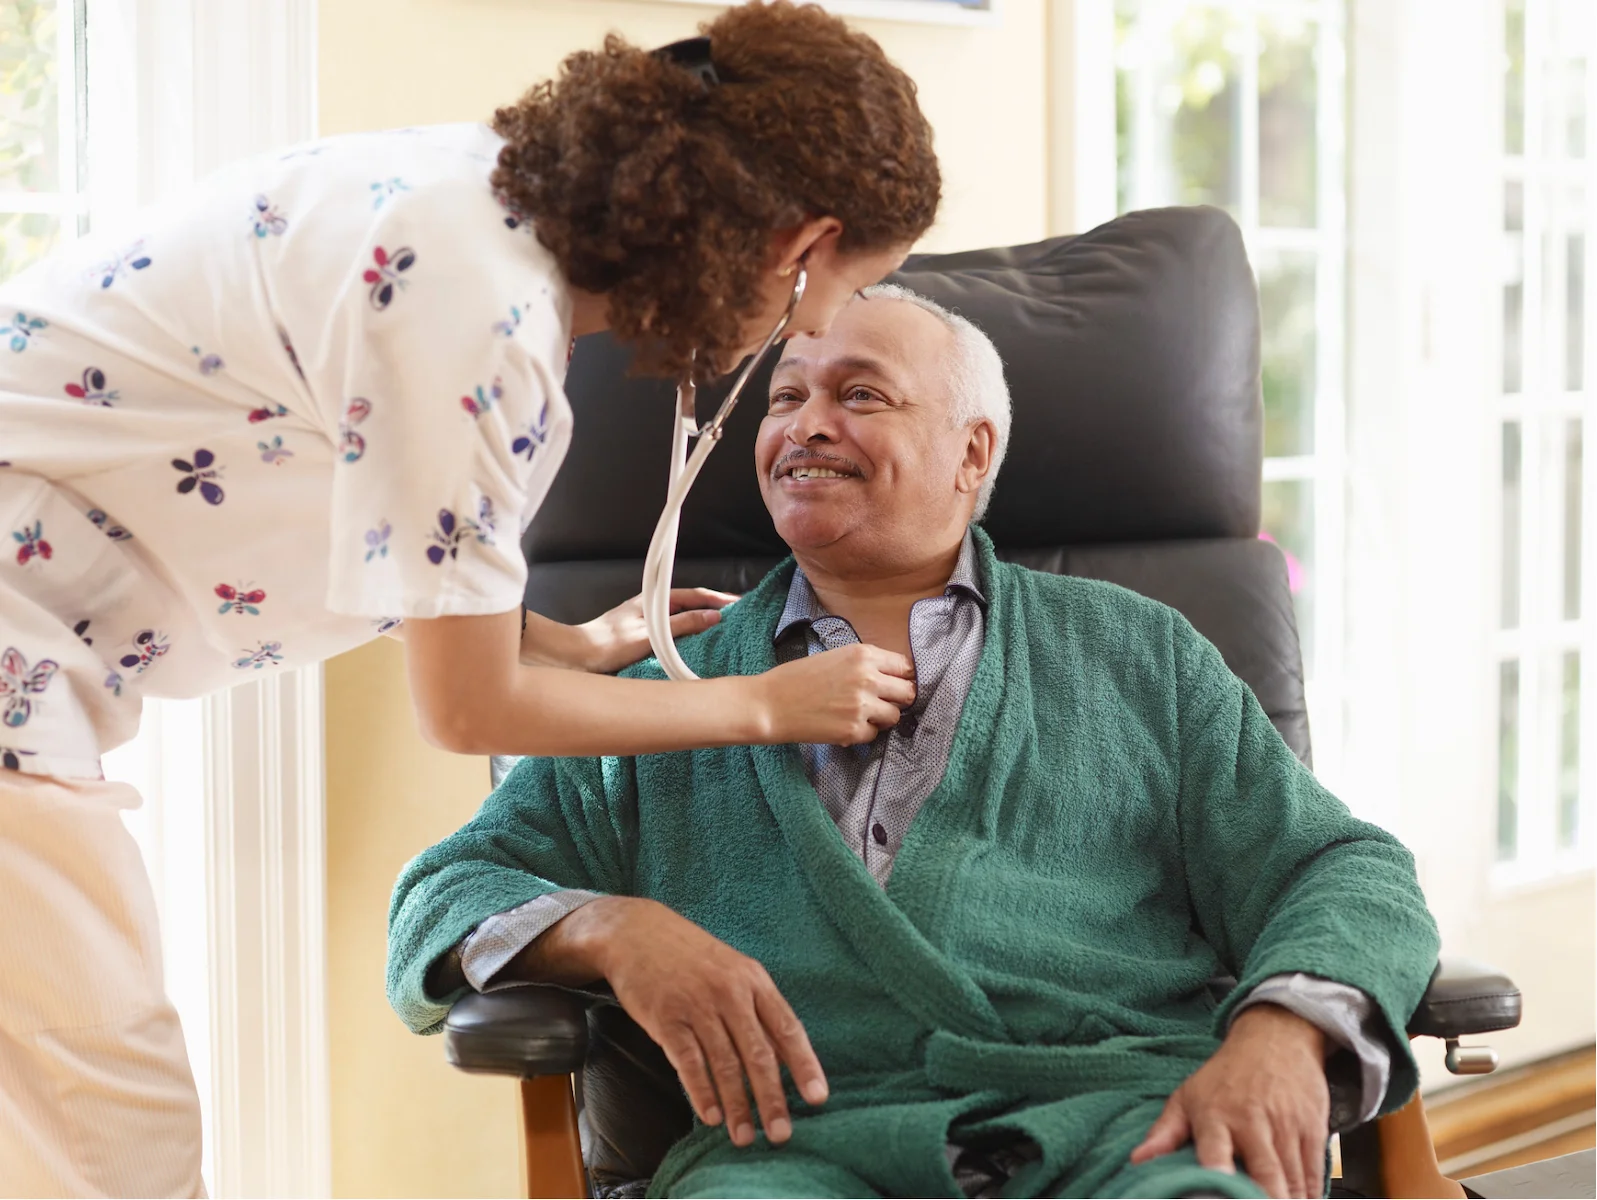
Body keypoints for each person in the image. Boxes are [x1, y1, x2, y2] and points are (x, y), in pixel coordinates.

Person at [0, 4, 941, 1194]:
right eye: (829, 298)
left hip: (36, 645)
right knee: (108, 1137)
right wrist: (766, 706)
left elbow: (373, 510)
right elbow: (466, 713)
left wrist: (553, 640)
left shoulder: (461, 198)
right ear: (792, 244)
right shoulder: (479, 320)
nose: (805, 337)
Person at [388, 288, 1442, 1200]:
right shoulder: (670, 687)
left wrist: (1278, 1036)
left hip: (1125, 1129)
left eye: (858, 395)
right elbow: (441, 894)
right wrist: (609, 929)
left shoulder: (1137, 652)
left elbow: (1339, 869)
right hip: (794, 1154)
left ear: (971, 452)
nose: (803, 425)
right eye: (785, 397)